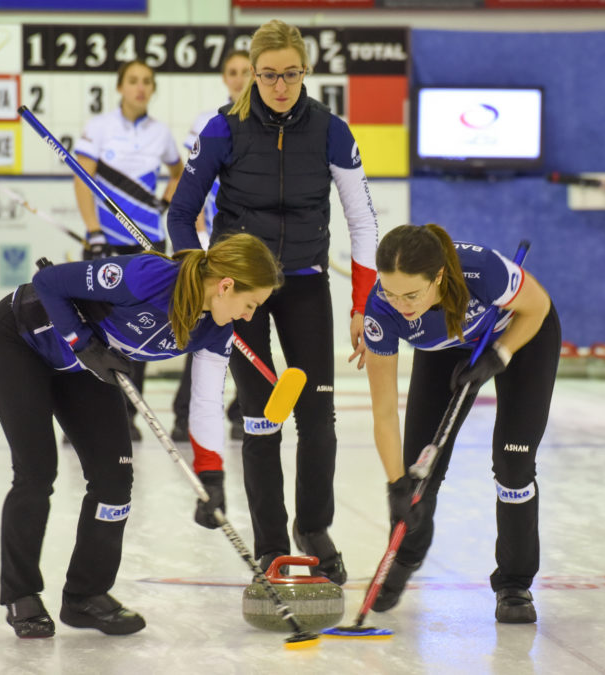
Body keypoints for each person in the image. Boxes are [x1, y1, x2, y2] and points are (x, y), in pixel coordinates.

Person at [0, 234, 282, 638]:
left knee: (114, 481)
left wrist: (211, 475)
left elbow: (207, 402)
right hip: (21, 342)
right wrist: (82, 343)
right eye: (251, 305)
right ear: (226, 286)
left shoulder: (216, 330)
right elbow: (49, 282)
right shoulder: (148, 276)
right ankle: (22, 595)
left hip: (85, 366)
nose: (248, 317)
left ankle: (86, 596)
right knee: (36, 473)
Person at [168, 19, 378, 585]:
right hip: (243, 291)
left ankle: (314, 529)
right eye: (268, 75)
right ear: (252, 75)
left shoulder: (332, 130)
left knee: (318, 419)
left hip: (306, 283)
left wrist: (362, 304)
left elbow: (362, 220)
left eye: (290, 74)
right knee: (260, 419)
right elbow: (181, 214)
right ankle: (270, 545)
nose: (280, 86)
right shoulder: (222, 129)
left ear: (305, 71)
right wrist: (200, 278)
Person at [359, 224, 560, 624]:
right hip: (445, 346)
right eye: (391, 292)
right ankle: (404, 556)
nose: (400, 305)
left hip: (521, 335)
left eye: (411, 295)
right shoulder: (381, 310)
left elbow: (537, 306)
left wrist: (500, 354)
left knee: (513, 465)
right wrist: (396, 484)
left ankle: (514, 582)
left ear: (438, 276)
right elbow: (383, 411)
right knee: (419, 471)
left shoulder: (481, 271)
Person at [74, 59, 183, 439]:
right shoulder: (99, 127)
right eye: (133, 80)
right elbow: (83, 180)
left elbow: (178, 173)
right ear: (120, 86)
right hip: (105, 242)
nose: (140, 87)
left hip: (148, 244)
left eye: (147, 81)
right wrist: (93, 231)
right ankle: (82, 420)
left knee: (141, 329)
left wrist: (162, 205)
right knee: (91, 329)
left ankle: (128, 417)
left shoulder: (161, 133)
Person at [172, 49, 252, 443]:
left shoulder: (266, 121)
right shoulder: (210, 121)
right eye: (232, 72)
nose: (238, 78)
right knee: (206, 324)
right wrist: (198, 229)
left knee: (247, 330)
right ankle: (184, 414)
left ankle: (241, 411)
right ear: (224, 77)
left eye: (245, 71)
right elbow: (193, 180)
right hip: (216, 243)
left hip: (251, 248)